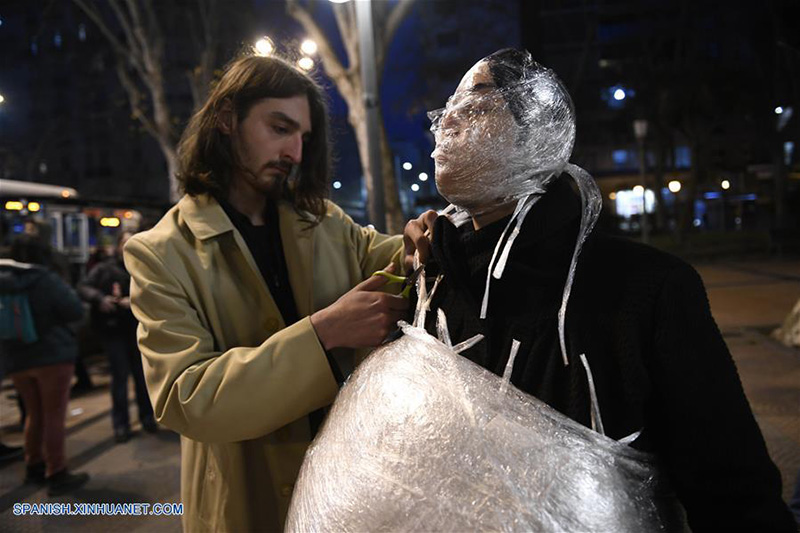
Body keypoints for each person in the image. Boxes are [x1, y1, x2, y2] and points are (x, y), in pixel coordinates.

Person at [412, 49, 795, 531]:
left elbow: (735, 497)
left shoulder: (647, 289)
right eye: (450, 103)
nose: (448, 119)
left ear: (538, 132)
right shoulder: (430, 285)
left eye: (478, 102)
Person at [123, 53, 432, 531]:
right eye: (280, 128)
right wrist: (323, 333)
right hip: (244, 504)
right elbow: (185, 398)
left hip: (342, 494)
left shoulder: (323, 221)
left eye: (303, 137)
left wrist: (424, 240)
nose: (295, 152)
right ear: (226, 119)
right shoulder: (159, 253)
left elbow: (392, 259)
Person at [0, 234, 90, 495]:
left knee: (32, 413)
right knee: (54, 416)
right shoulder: (44, 278)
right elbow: (74, 310)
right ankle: (57, 471)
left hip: (17, 358)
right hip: (52, 356)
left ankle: (33, 464)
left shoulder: (3, 279)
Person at [78, 231, 156, 443]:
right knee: (120, 377)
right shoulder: (104, 269)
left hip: (139, 330)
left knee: (142, 378)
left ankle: (147, 417)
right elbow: (84, 288)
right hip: (112, 331)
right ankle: (121, 425)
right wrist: (100, 299)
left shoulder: (146, 267)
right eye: (125, 242)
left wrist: (135, 302)